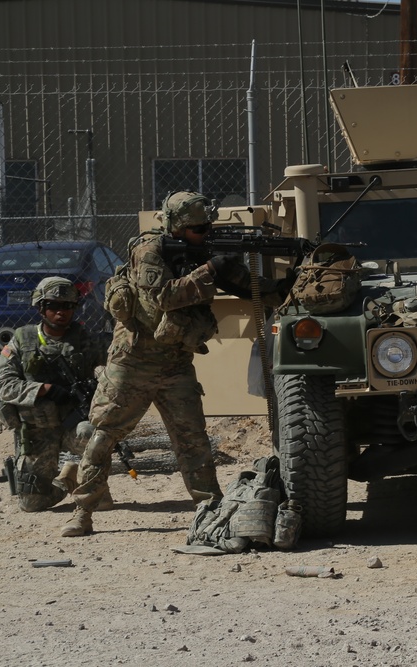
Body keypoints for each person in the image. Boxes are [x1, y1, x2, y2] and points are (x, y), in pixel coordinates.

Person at [61, 191, 287, 537]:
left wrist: (286, 290)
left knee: (192, 439)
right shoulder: (149, 251)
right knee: (104, 435)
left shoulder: (201, 248)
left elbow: (247, 287)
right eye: (197, 228)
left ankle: (210, 508)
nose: (205, 232)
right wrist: (210, 268)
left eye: (208, 226)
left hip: (176, 363)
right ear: (177, 228)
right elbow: (162, 298)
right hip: (133, 361)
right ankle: (83, 511)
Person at [0, 276, 109, 512]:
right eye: (53, 306)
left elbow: (119, 360)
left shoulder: (84, 340)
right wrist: (44, 389)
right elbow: (5, 385)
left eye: (67, 306)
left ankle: (96, 488)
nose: (61, 312)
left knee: (92, 434)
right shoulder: (22, 340)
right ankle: (68, 479)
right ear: (40, 308)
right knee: (31, 504)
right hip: (38, 434)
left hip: (73, 427)